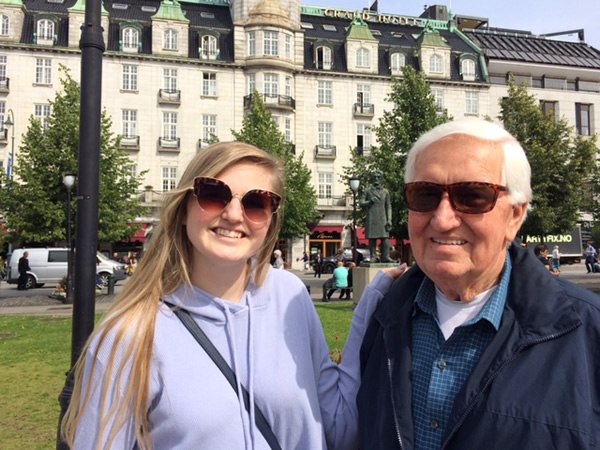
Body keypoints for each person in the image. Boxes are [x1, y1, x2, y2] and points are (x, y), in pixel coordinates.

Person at [61, 141, 407, 449]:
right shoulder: (130, 335)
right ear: (184, 209)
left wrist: (369, 306)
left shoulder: (290, 297)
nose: (233, 214)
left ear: (270, 221)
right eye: (214, 194)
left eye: (257, 202)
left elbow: (338, 427)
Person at [357, 119, 600, 449]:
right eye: (425, 195)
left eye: (473, 196)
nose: (443, 220)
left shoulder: (586, 332)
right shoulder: (383, 316)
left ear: (515, 216)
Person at [360, 170, 393, 262]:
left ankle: (385, 256)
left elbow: (388, 206)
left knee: (385, 238)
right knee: (372, 238)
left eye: (378, 177)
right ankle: (373, 256)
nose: (376, 179)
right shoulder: (367, 190)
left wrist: (389, 219)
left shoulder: (385, 192)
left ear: (381, 179)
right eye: (374, 177)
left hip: (383, 217)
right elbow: (361, 202)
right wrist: (369, 202)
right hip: (372, 216)